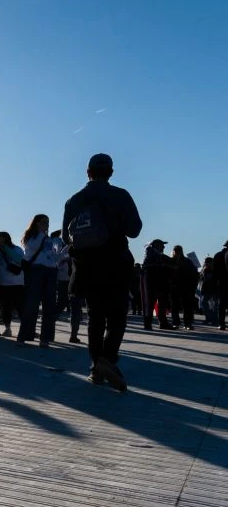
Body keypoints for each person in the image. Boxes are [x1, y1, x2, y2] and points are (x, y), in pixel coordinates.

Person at [62, 153, 142, 391]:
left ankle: (96, 369)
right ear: (111, 172)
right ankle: (107, 359)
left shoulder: (75, 200)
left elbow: (67, 236)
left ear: (88, 172)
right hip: (116, 262)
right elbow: (135, 229)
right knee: (117, 316)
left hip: (88, 265)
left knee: (95, 318)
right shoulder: (121, 195)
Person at [18, 214, 59, 347]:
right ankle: (24, 335)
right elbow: (32, 247)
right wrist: (42, 234)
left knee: (49, 305)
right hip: (36, 270)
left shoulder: (48, 238)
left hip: (51, 270)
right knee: (31, 304)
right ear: (36, 223)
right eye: (43, 222)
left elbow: (52, 255)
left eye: (48, 222)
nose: (46, 224)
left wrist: (62, 254)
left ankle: (45, 338)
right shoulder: (32, 236)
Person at [0, 231, 24, 338]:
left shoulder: (17, 249)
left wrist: (4, 248)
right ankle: (8, 328)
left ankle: (25, 329)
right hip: (1, 283)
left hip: (16, 283)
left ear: (4, 239)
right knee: (5, 307)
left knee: (20, 307)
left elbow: (19, 260)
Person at [141, 239, 173, 330]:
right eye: (161, 245)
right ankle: (148, 324)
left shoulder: (159, 255)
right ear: (156, 245)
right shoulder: (150, 254)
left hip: (161, 284)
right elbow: (149, 266)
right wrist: (164, 266)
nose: (164, 247)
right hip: (152, 284)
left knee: (162, 303)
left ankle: (163, 323)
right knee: (150, 303)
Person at [169, 245, 198, 330]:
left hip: (185, 287)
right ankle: (177, 322)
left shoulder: (187, 261)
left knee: (186, 306)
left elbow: (194, 274)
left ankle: (187, 323)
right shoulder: (172, 261)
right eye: (176, 251)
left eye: (178, 251)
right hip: (175, 287)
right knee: (175, 306)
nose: (177, 252)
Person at [199, 257, 218, 325]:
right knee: (204, 304)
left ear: (211, 262)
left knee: (214, 306)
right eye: (205, 262)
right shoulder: (204, 270)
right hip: (206, 289)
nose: (206, 263)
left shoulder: (215, 270)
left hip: (214, 289)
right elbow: (201, 279)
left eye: (207, 262)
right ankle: (209, 318)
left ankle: (214, 320)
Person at [214, 241, 228, 331]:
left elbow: (215, 271)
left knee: (221, 304)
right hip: (224, 282)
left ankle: (221, 323)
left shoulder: (218, 255)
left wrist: (216, 282)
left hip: (221, 282)